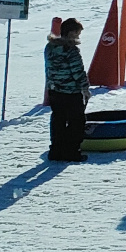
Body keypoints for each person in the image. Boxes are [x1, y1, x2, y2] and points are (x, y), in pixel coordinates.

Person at [43, 18, 89, 162]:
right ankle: (71, 152)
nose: (78, 37)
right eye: (77, 33)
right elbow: (77, 72)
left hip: (54, 90)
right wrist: (85, 88)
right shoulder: (71, 50)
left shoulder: (49, 47)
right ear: (70, 32)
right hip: (70, 92)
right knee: (77, 122)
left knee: (58, 120)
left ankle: (56, 151)